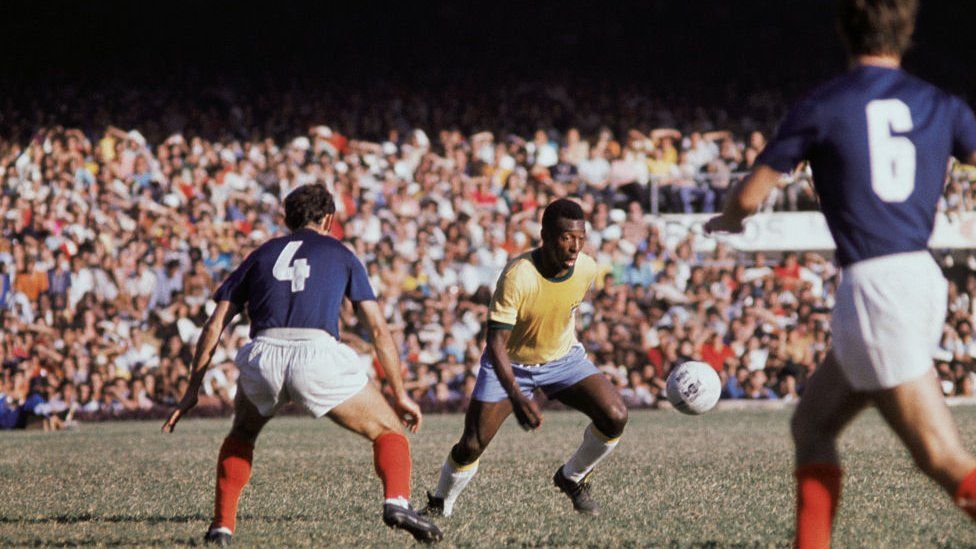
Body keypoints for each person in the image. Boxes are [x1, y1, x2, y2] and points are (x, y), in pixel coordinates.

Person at [705, 1, 976, 546]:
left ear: (842, 30)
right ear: (908, 31)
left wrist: (728, 216)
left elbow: (752, 196)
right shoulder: (941, 104)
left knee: (941, 458)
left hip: (876, 287)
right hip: (921, 277)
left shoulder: (823, 105)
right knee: (812, 425)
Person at [162, 184, 442, 545]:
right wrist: (401, 394)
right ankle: (397, 502)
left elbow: (215, 324)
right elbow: (378, 329)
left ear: (287, 219)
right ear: (329, 219)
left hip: (264, 353)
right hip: (316, 354)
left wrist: (191, 390)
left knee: (242, 434)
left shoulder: (261, 254)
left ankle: (222, 527)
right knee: (389, 431)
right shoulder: (341, 253)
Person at [424, 199, 628, 517]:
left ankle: (571, 477)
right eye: (566, 238)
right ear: (545, 236)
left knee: (615, 416)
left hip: (562, 359)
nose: (575, 247)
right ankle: (440, 503)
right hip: (510, 364)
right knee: (473, 444)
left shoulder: (587, 268)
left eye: (580, 239)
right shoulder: (518, 276)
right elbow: (495, 343)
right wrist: (518, 397)